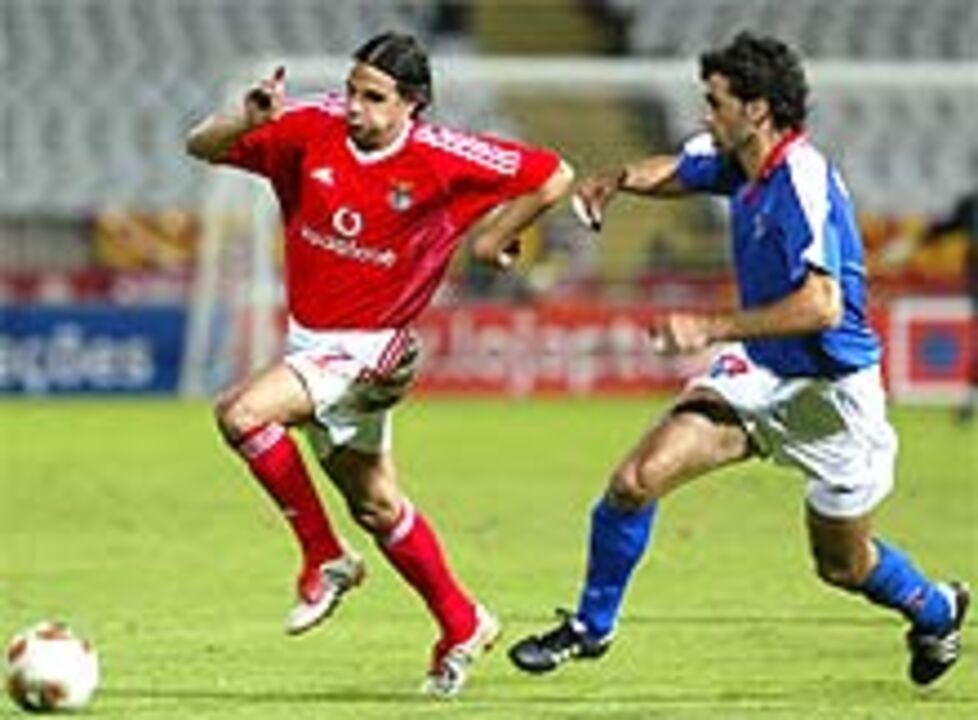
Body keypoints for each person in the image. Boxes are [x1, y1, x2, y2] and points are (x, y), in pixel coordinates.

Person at [509, 31, 969, 687]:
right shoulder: (741, 162)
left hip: (834, 397)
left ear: (756, 110)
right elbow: (677, 168)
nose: (705, 114)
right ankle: (589, 628)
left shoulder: (801, 181)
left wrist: (709, 325)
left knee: (843, 565)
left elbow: (822, 305)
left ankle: (936, 608)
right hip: (760, 374)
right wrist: (616, 181)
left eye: (715, 102)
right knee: (635, 482)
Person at [186, 31, 573, 697]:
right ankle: (462, 620)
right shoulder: (310, 128)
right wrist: (244, 121)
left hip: (374, 345)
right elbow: (202, 146)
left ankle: (323, 558)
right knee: (376, 505)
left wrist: (496, 235)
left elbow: (554, 173)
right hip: (312, 343)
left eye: (373, 98)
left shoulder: (444, 156)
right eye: (351, 90)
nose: (354, 108)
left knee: (241, 414)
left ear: (411, 105)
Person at [920, 190, 978, 423]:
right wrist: (928, 234)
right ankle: (968, 401)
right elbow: (948, 227)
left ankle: (967, 402)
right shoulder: (970, 204)